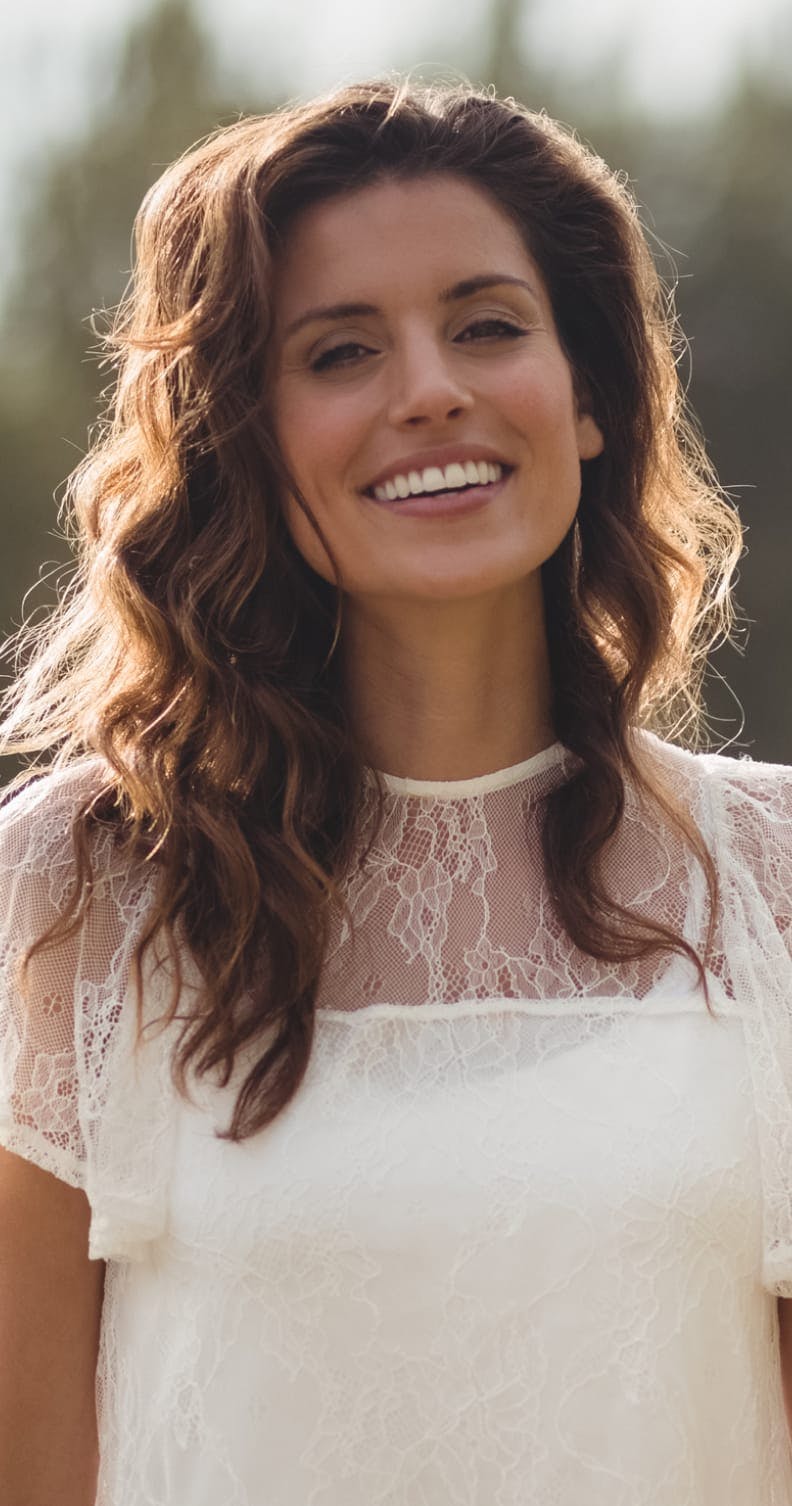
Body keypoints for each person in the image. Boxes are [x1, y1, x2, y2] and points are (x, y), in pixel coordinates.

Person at [1, 75, 791, 1506]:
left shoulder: (774, 878)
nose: (430, 387)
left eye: (487, 325)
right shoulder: (83, 885)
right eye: (340, 351)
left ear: (592, 396)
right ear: (250, 429)